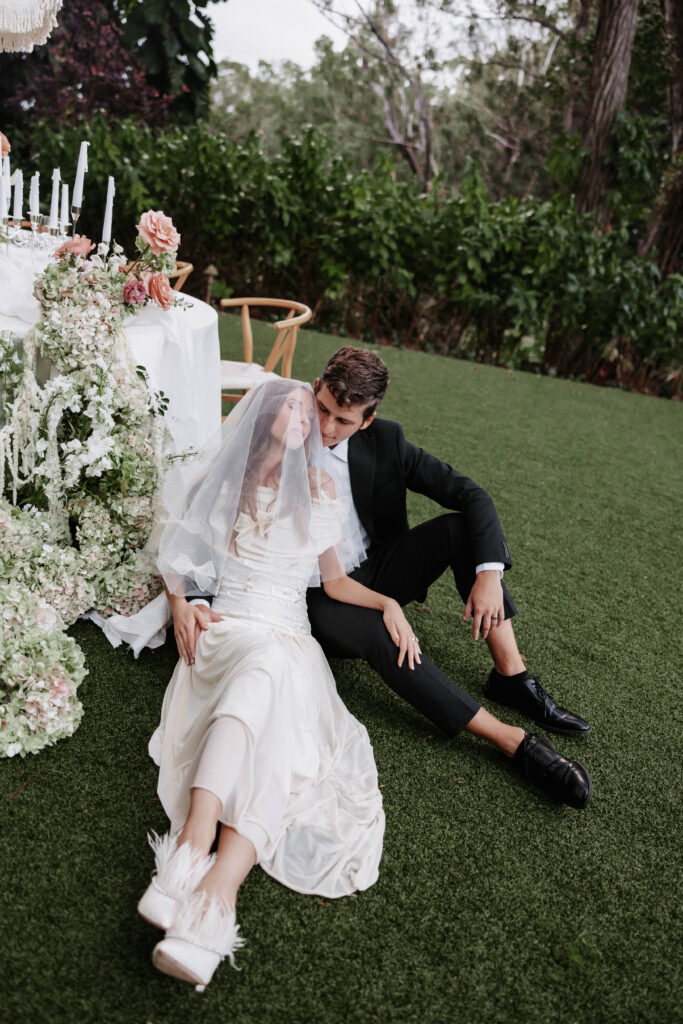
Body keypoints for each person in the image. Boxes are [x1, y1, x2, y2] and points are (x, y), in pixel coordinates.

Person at [138, 379, 420, 991]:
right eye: (297, 408)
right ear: (266, 413)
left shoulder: (320, 488)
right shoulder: (224, 480)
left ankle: (205, 876)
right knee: (265, 678)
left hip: (289, 640)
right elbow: (175, 551)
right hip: (229, 631)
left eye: (309, 414)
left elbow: (335, 583)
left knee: (275, 724)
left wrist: (388, 602)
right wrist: (181, 603)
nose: (307, 421)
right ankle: (205, 875)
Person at [301, 346, 592, 809]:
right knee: (380, 631)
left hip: (372, 569)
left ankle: (511, 676)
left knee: (461, 531)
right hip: (315, 595)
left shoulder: (387, 441)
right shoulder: (283, 427)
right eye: (322, 408)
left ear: (368, 420)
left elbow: (473, 496)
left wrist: (489, 574)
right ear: (315, 387)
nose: (326, 427)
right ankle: (511, 740)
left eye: (343, 420)